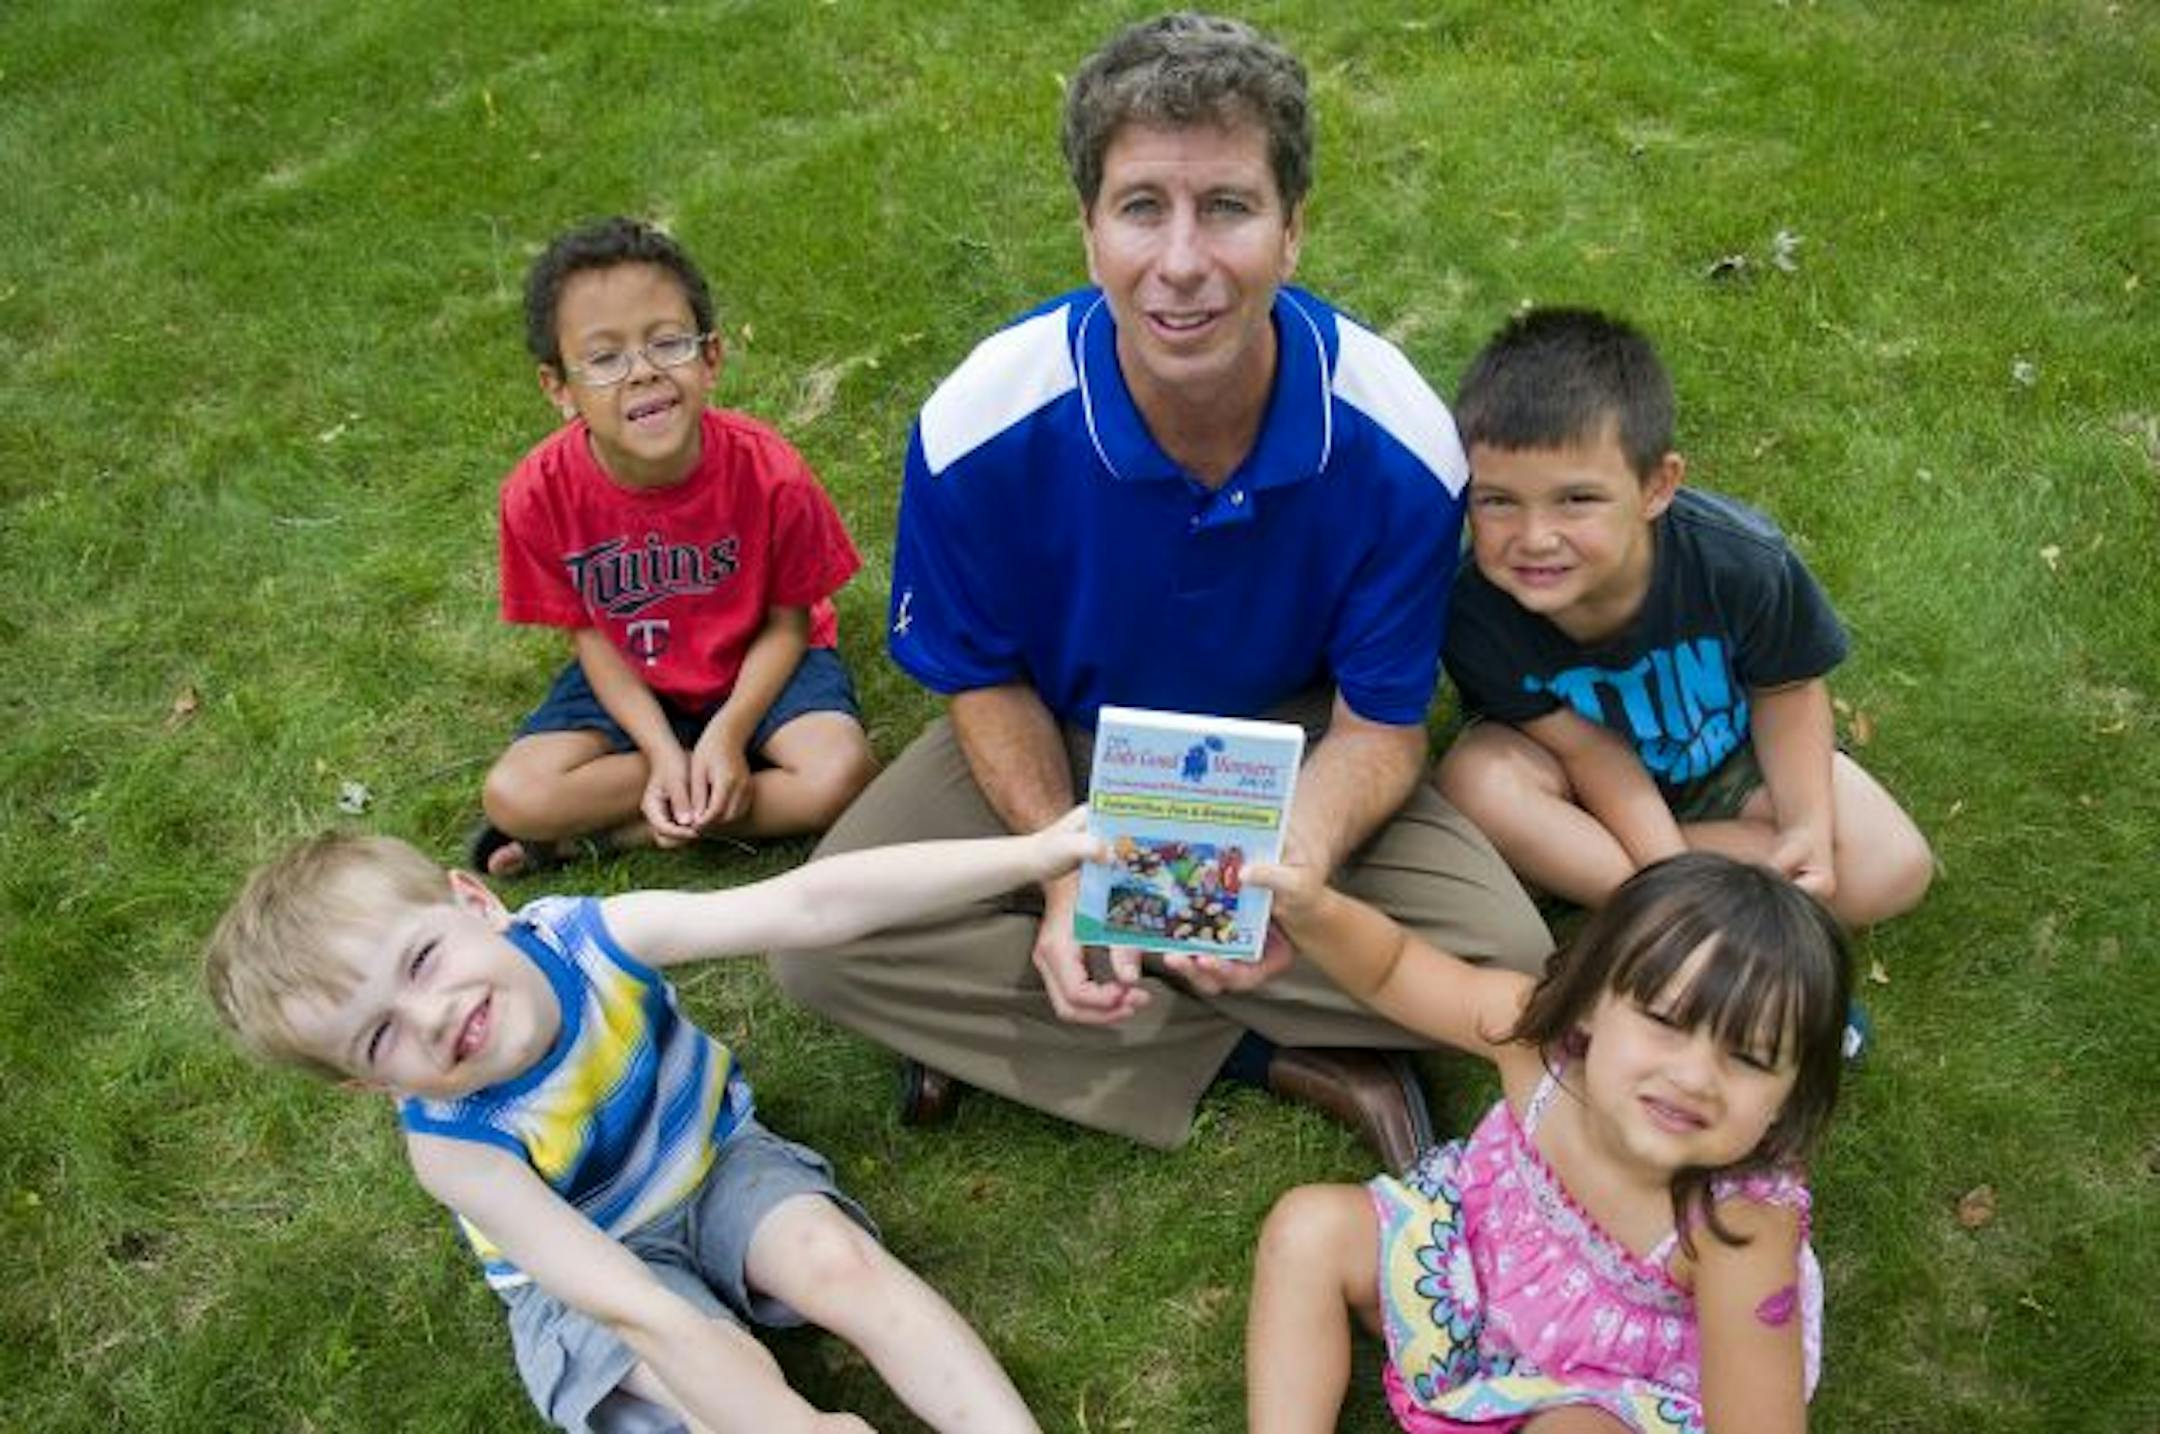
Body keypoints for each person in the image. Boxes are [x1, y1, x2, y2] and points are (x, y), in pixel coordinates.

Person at [769, 13, 1549, 1168]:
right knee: (821, 947)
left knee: (1515, 970)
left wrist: (1299, 876)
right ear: (1089, 235)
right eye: (1143, 208)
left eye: (1227, 207)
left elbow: (1381, 730)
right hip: (1064, 731)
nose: (1181, 262)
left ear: (1292, 232)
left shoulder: (1399, 439)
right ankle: (1273, 1053)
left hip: (1290, 737)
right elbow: (983, 681)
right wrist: (1061, 866)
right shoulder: (977, 426)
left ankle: (1021, 1012)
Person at [204, 813, 1102, 1433]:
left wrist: (1030, 855)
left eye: (423, 961)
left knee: (842, 1264)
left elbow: (808, 902)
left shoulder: (589, 940)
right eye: (380, 1036)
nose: (430, 1016)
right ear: (368, 1088)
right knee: (713, 1391)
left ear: (477, 903)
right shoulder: (453, 1147)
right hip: (594, 1273)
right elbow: (631, 1308)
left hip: (712, 1162)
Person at [1244, 852, 1851, 1433]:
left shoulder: (1737, 1227)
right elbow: (1395, 966)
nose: (1694, 1077)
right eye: (1665, 1021)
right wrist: (1312, 911)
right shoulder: (1537, 1049)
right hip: (1475, 1271)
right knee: (1308, 1229)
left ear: (1786, 1099)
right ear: (1589, 1003)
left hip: (1611, 1389)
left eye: (1748, 1057)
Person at [1436, 308, 1933, 928]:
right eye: (1498, 502)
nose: (1535, 538)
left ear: (1656, 487)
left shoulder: (1741, 561)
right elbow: (1590, 754)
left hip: (1730, 766)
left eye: (1577, 500)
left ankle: (1595, 877)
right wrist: (1669, 864)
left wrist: (1805, 826)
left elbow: (1789, 690)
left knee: (1895, 865)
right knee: (1476, 783)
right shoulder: (1473, 609)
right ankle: (1673, 898)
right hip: (1578, 781)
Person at [470, 217, 877, 878]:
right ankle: (695, 783)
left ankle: (611, 834)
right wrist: (663, 750)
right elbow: (590, 636)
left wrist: (730, 731)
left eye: (667, 342)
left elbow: (789, 623)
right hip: (635, 675)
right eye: (604, 358)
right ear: (559, 389)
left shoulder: (770, 472)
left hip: (761, 663)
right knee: (514, 795)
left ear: (710, 359)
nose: (643, 373)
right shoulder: (536, 495)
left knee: (840, 774)